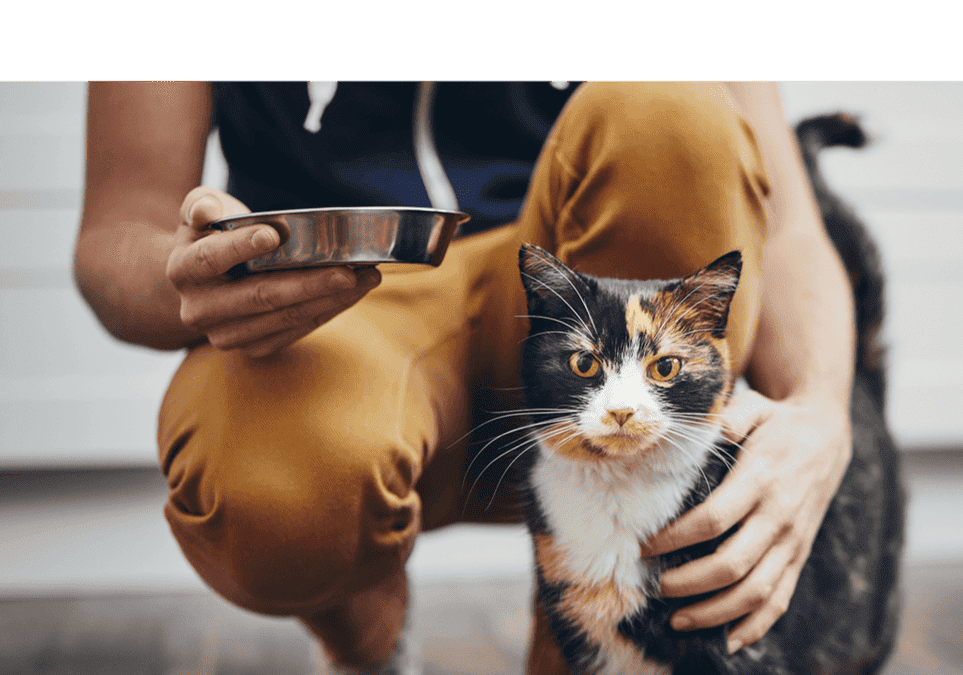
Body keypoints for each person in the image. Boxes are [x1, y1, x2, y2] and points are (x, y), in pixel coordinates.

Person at [75, 81, 856, 674]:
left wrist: (823, 410)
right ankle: (366, 631)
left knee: (672, 106)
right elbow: (119, 228)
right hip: (336, 297)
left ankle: (586, 649)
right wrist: (196, 277)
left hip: (579, 276)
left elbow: (784, 223)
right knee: (273, 501)